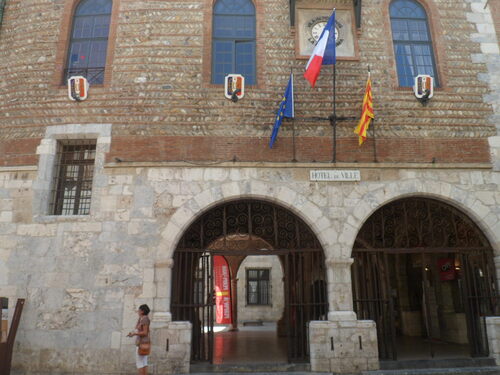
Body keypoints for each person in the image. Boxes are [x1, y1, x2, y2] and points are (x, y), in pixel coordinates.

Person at [127, 304, 151, 375]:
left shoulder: (145, 319)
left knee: (140, 363)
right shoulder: (142, 319)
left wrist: (134, 334)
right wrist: (133, 333)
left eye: (139, 310)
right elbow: (137, 328)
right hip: (143, 343)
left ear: (142, 311)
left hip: (142, 343)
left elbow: (145, 332)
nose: (138, 311)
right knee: (143, 362)